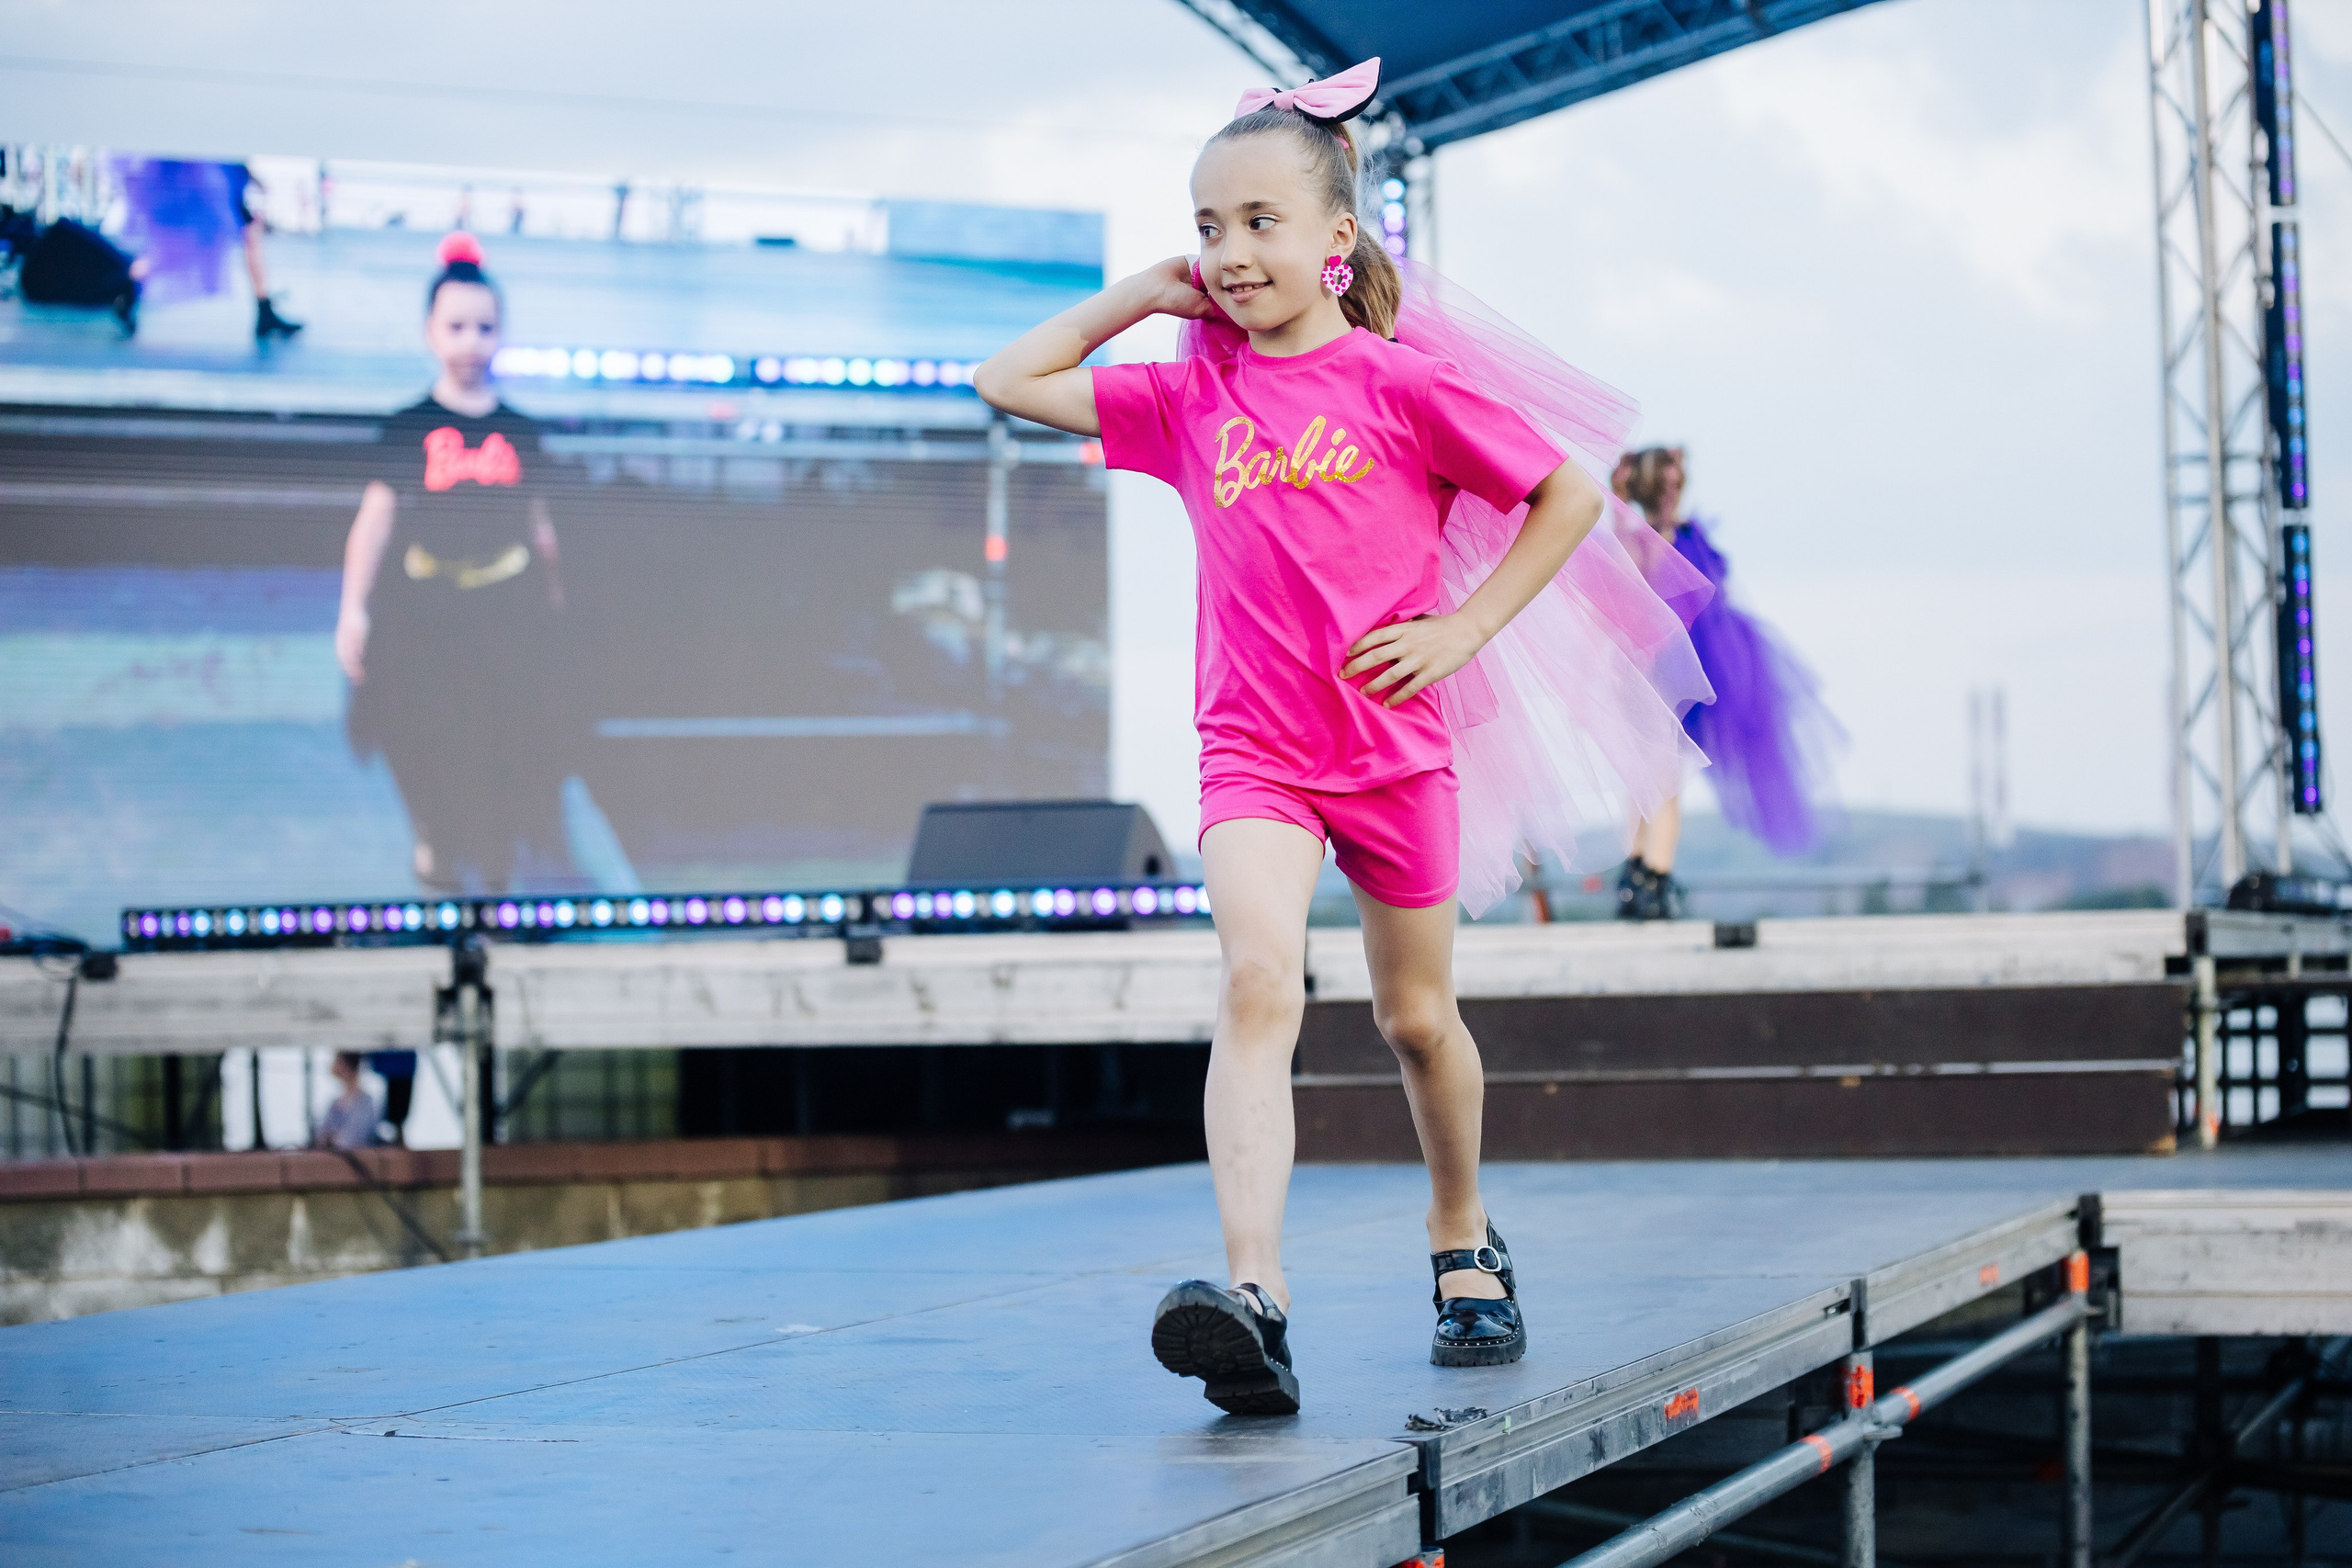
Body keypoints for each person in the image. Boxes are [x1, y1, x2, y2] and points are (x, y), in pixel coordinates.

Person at [976, 58, 1706, 1415]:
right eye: (1208, 227)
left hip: (1391, 746)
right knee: (1260, 982)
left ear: (1336, 240)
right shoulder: (1192, 397)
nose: (1231, 252)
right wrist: (1143, 294)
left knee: (1415, 1017)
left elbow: (1560, 492)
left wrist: (1463, 629)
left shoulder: (1401, 386)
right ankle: (1256, 1297)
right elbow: (1007, 375)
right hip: (1253, 748)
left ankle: (1460, 1235)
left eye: (1259, 221)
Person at [337, 233, 574, 893]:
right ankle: (435, 841)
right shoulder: (409, 424)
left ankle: (496, 858)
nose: (471, 341)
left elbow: (540, 526)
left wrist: (553, 603)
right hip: (425, 612)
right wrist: (353, 609)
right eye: (457, 326)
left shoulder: (522, 430)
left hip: (504, 611)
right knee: (419, 735)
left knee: (503, 739)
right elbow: (375, 520)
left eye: (486, 327)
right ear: (430, 332)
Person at [1613, 447, 1843, 919]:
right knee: (1648, 777)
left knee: (1661, 776)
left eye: (1677, 484)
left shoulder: (1684, 537)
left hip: (1681, 670)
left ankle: (1647, 874)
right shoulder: (1645, 539)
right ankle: (1646, 873)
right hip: (1652, 671)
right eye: (1668, 485)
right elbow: (1637, 583)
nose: (1674, 493)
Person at [110, 159, 302, 341]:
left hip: (223, 181)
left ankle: (265, 310)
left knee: (248, 241)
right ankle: (126, 286)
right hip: (210, 183)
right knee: (181, 251)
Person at [313, 1053, 379, 1150]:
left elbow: (356, 1137)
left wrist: (334, 1139)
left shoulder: (365, 1102)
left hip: (356, 1159)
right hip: (333, 1157)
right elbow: (322, 1135)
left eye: (339, 1061)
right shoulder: (335, 1102)